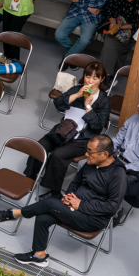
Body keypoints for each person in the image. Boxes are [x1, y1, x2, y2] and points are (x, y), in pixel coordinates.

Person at [0, 135, 126, 268]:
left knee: (50, 203)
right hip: (73, 208)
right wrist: (68, 196)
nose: (86, 154)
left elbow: (112, 207)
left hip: (92, 219)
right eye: (87, 149)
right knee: (43, 217)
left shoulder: (117, 175)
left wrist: (81, 204)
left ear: (104, 154)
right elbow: (76, 181)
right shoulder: (90, 163)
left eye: (90, 151)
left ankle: (15, 213)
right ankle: (39, 256)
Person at [24, 62, 111, 199]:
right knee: (41, 146)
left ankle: (53, 191)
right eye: (88, 76)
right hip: (64, 130)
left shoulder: (104, 100)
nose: (90, 81)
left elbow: (97, 125)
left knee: (58, 154)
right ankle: (30, 176)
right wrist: (77, 95)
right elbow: (58, 104)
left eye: (95, 78)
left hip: (83, 138)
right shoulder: (77, 89)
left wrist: (88, 105)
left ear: (102, 79)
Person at [98, 0, 139, 75]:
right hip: (115, 27)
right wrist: (113, 24)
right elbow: (111, 11)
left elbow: (137, 23)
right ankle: (107, 75)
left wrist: (120, 27)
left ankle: (106, 74)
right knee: (109, 44)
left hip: (131, 32)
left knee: (114, 48)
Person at [112, 99, 139, 213]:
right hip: (119, 158)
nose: (138, 106)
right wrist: (106, 151)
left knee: (113, 177)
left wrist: (125, 167)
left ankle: (114, 213)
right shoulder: (134, 118)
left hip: (135, 169)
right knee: (87, 164)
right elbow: (118, 139)